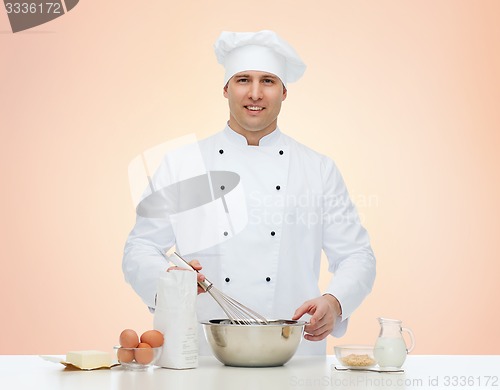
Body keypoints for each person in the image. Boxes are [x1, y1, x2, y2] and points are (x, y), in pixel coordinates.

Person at [123, 30, 376, 355]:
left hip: (292, 354)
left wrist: (335, 301)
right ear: (226, 88)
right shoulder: (183, 164)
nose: (255, 93)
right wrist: (169, 280)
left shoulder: (317, 169)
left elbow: (357, 255)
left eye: (268, 81)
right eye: (243, 80)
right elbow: (140, 247)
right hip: (202, 354)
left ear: (284, 92)